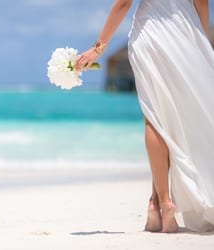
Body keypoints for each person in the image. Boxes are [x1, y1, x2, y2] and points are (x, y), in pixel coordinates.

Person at [75, 0, 214, 233]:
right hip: (185, 33)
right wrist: (203, 40)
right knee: (174, 118)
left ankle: (161, 203)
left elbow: (124, 3)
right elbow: (201, 2)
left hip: (150, 35)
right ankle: (157, 203)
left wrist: (98, 47)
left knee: (154, 118)